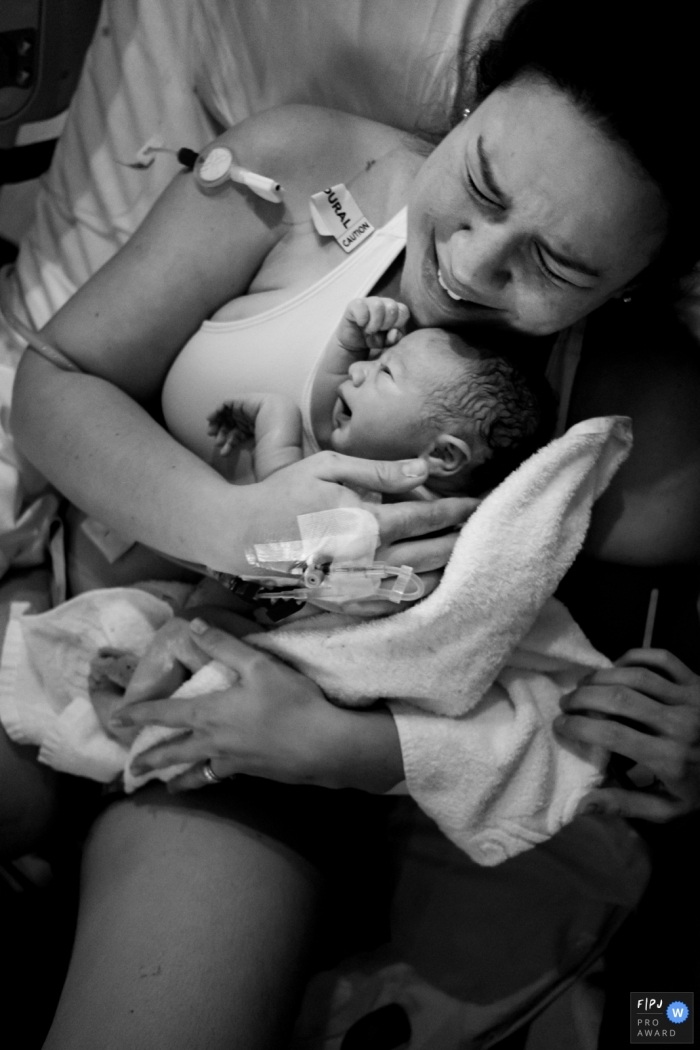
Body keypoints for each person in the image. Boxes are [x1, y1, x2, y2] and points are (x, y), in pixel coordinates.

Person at [5, 0, 700, 1046]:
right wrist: (239, 526)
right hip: (73, 623)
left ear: (638, 282)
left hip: (268, 762)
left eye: (556, 267)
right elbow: (56, 380)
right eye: (478, 182)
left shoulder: (640, 419)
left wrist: (688, 749)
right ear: (471, 104)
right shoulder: (295, 171)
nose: (471, 266)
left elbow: (567, 694)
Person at [207, 294, 553, 497]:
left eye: (385, 372)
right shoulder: (373, 465)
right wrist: (348, 345)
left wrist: (275, 419)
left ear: (443, 453)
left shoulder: (408, 516)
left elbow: (284, 506)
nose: (358, 370)